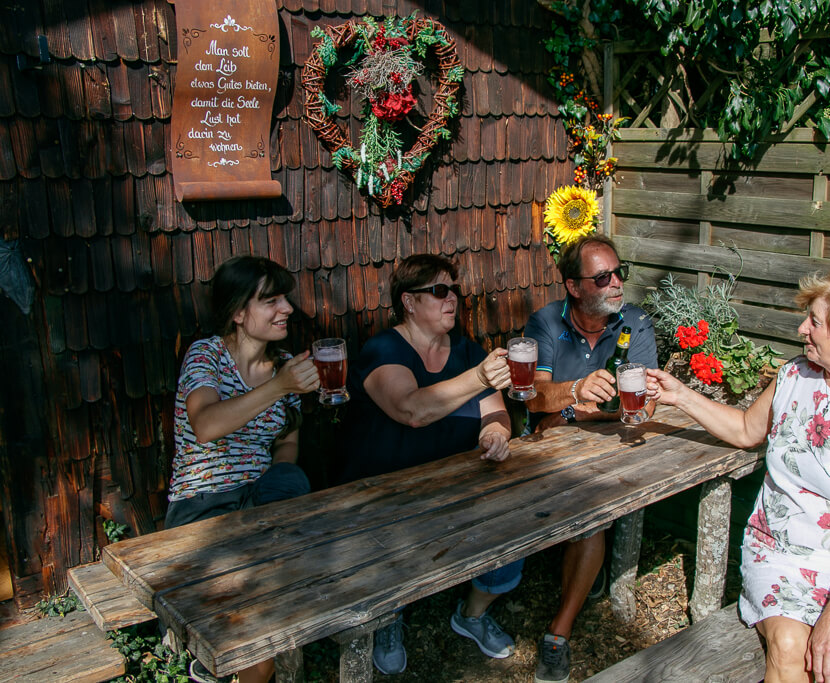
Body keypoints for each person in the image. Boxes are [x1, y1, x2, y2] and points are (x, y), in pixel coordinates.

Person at [647, 272, 830, 683]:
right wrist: (682, 395)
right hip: (778, 548)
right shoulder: (796, 376)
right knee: (789, 647)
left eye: (814, 321)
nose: (802, 329)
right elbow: (746, 430)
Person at [340, 253, 524, 675]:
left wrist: (494, 435)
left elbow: (496, 414)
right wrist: (478, 378)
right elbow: (411, 410)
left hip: (454, 485)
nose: (452, 300)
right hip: (384, 492)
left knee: (516, 515)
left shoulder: (466, 349)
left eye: (454, 290)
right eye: (439, 291)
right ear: (408, 301)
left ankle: (472, 614)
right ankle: (388, 618)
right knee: (388, 537)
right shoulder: (383, 348)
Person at [166, 256, 321, 683]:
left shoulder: (283, 363)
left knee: (295, 486)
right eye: (270, 300)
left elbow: (288, 441)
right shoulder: (207, 355)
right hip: (205, 507)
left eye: (284, 298)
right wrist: (280, 386)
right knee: (261, 622)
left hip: (263, 501)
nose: (286, 308)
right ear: (237, 312)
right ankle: (225, 650)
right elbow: (206, 425)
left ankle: (224, 650)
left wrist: (276, 485)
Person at [523, 234, 657, 683]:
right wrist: (573, 394)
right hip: (556, 440)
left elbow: (643, 407)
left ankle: (558, 633)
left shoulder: (634, 323)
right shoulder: (546, 321)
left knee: (593, 511)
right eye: (603, 277)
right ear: (574, 287)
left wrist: (592, 410)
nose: (617, 283)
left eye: (620, 273)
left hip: (611, 441)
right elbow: (532, 398)